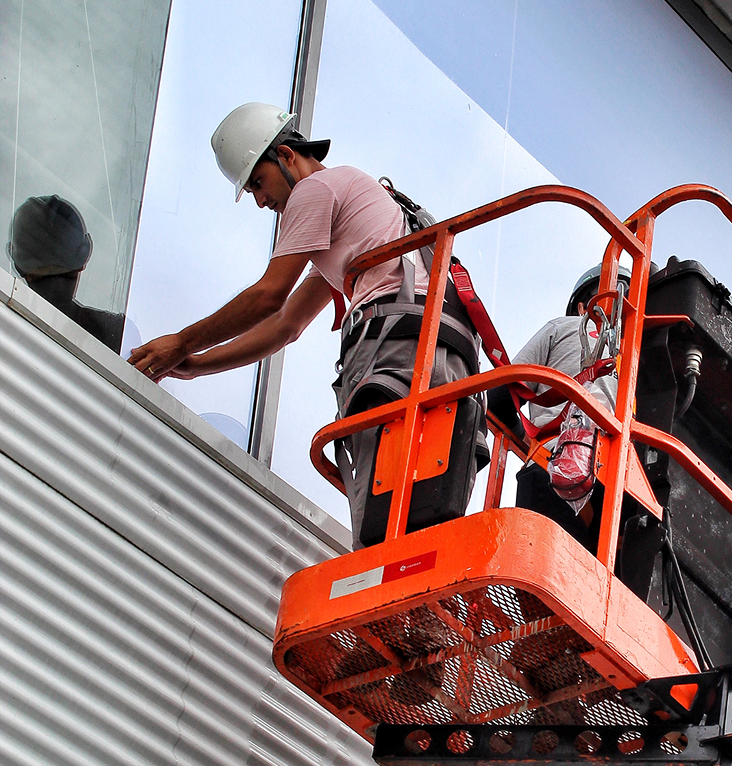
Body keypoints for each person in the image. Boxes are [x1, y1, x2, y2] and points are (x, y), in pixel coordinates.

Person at [128, 102, 483, 546]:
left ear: (287, 155)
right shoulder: (357, 209)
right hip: (439, 352)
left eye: (258, 181)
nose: (261, 200)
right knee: (421, 513)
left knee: (384, 522)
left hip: (397, 348)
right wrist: (198, 364)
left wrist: (181, 342)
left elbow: (268, 295)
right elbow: (286, 325)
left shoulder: (315, 191)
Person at [488, 263, 635, 551]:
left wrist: (530, 437)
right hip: (617, 494)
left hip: (552, 469)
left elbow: (500, 396)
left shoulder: (562, 328)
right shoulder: (638, 361)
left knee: (536, 585)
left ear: (582, 307)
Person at [7, 195, 124, 352]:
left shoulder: (8, 333)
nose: (58, 285)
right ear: (82, 262)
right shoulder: (115, 335)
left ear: (20, 266)